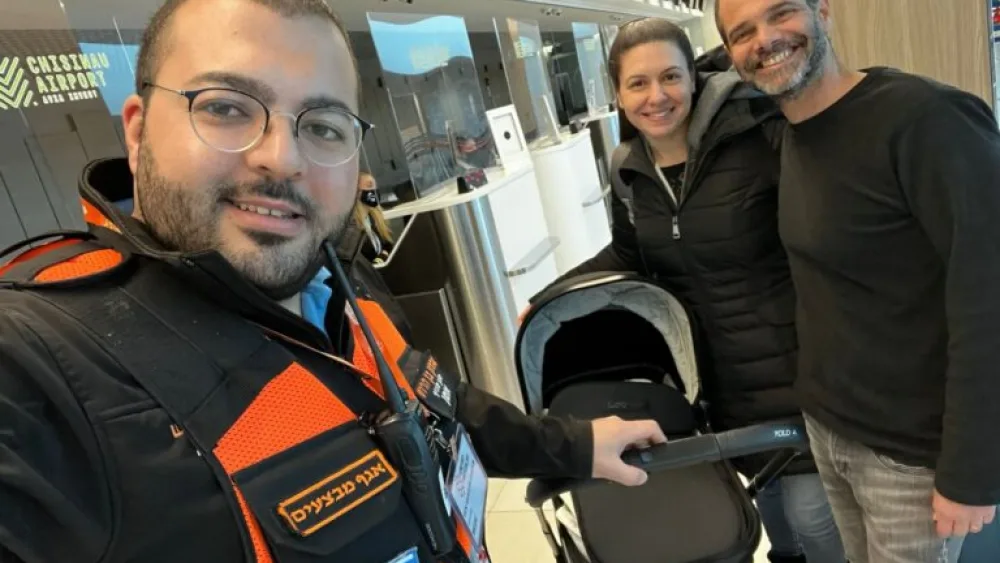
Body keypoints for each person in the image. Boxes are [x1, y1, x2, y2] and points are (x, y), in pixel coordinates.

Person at [0, 1, 670, 562]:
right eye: (228, 107)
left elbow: (431, 403)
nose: (282, 157)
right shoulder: (41, 370)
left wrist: (575, 443)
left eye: (320, 125)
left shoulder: (337, 284)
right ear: (139, 133)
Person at [523, 18, 844, 563]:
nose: (657, 97)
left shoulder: (759, 139)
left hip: (799, 370)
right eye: (638, 83)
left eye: (670, 77)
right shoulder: (629, 170)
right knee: (772, 521)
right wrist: (548, 298)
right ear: (618, 94)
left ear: (693, 80)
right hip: (715, 385)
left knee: (816, 522)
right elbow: (628, 254)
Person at [714, 0, 1000, 561]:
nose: (765, 40)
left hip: (911, 457)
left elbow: (988, 296)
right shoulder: (791, 132)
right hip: (830, 432)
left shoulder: (925, 119)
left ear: (823, 10)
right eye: (742, 33)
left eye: (781, 14)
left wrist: (972, 469)